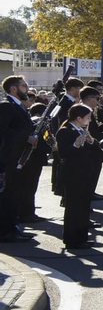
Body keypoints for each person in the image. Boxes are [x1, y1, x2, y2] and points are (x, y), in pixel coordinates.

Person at [56, 104, 103, 249]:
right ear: (78, 118)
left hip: (85, 174)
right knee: (74, 208)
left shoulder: (82, 130)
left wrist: (91, 141)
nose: (89, 120)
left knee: (84, 207)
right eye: (88, 117)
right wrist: (76, 145)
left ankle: (82, 237)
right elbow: (63, 153)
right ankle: (72, 239)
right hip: (73, 174)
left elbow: (98, 150)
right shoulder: (65, 131)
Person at [1, 75, 38, 240]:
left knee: (16, 194)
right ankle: (6, 231)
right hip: (8, 158)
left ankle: (13, 227)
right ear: (13, 89)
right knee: (8, 195)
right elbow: (3, 131)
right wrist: (26, 138)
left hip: (20, 156)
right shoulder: (6, 106)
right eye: (24, 86)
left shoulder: (20, 106)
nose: (27, 89)